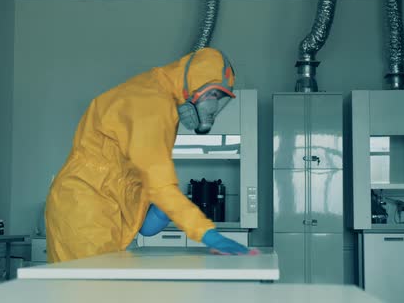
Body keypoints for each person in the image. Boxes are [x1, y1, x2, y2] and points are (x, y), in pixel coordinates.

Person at [45, 47, 250, 262]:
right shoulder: (152, 103)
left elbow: (131, 172)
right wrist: (207, 233)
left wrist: (150, 212)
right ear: (195, 79)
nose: (212, 106)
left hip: (101, 206)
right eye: (213, 94)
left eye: (219, 98)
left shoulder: (164, 102)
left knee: (104, 291)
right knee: (89, 292)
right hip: (84, 207)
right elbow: (157, 181)